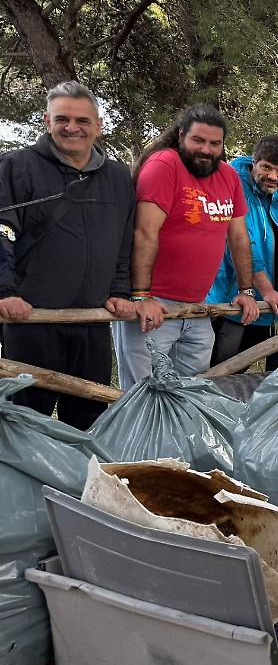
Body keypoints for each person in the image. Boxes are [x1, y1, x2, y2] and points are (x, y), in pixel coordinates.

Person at [0, 81, 135, 429]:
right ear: (47, 120)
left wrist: (120, 291)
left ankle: (82, 484)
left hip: (91, 320)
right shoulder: (16, 167)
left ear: (98, 126)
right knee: (26, 417)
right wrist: (5, 291)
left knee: (89, 416)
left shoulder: (118, 176)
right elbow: (2, 231)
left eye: (82, 120)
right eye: (62, 118)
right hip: (33, 318)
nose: (72, 127)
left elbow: (124, 240)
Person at [114, 104, 259, 389]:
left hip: (196, 308)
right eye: (198, 140)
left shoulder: (228, 177)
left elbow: (239, 237)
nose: (206, 150)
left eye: (214, 144)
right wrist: (142, 297)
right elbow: (145, 232)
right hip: (154, 306)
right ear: (181, 136)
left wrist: (246, 291)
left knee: (192, 397)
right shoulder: (165, 164)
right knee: (142, 398)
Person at [206, 135, 278, 371]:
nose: (273, 176)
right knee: (219, 370)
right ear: (254, 162)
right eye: (266, 167)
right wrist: (267, 290)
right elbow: (244, 240)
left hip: (268, 304)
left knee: (252, 369)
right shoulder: (232, 180)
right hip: (231, 298)